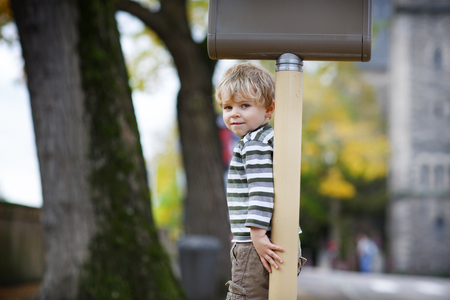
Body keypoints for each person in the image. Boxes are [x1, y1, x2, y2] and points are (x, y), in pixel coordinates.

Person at [215, 62, 304, 300]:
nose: (234, 113)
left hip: (256, 243)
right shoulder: (272, 138)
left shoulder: (253, 143)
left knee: (244, 296)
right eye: (228, 106)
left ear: (268, 109)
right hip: (281, 236)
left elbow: (261, 190)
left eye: (244, 105)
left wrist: (257, 234)